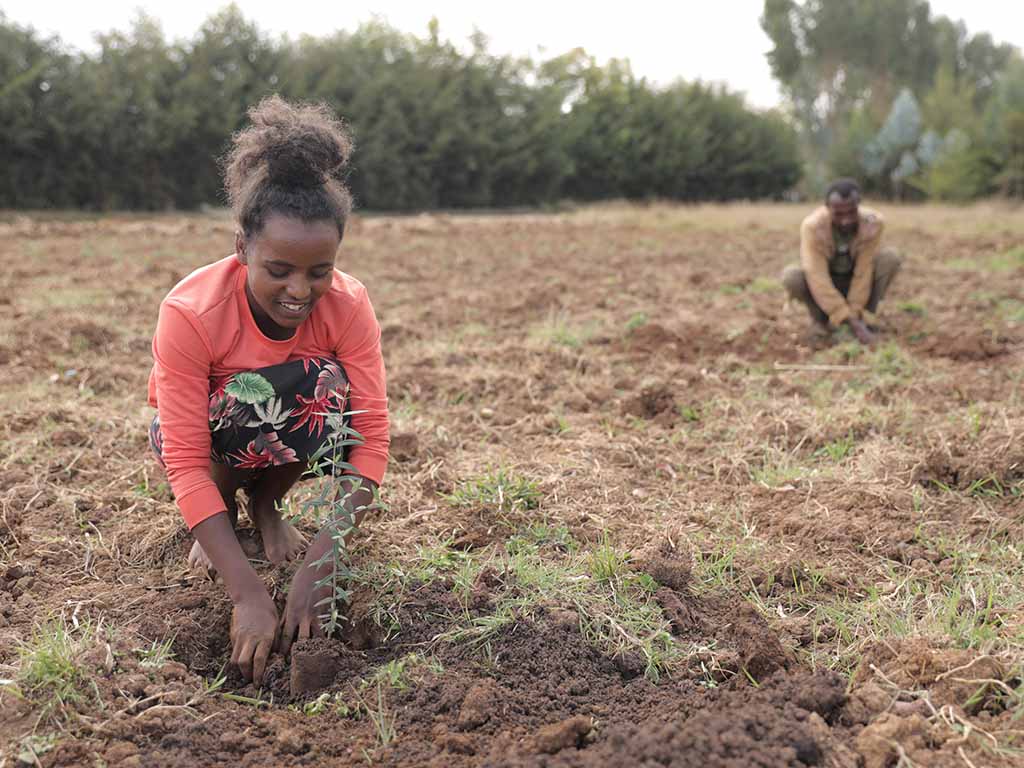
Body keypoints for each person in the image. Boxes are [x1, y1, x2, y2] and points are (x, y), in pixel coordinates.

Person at [147, 96, 389, 684]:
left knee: (324, 389)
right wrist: (248, 595)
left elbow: (373, 439)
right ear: (242, 248)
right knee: (245, 395)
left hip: (280, 435)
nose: (298, 290)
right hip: (208, 438)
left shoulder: (348, 304)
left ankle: (267, 503)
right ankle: (223, 515)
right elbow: (181, 455)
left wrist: (320, 562)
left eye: (318, 271)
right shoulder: (190, 310)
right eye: (278, 269)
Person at [781, 179, 903, 344]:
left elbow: (864, 271)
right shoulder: (812, 226)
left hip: (856, 281)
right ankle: (821, 321)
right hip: (826, 283)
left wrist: (855, 312)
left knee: (890, 258)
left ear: (858, 206)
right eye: (839, 214)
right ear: (827, 208)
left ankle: (865, 317)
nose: (846, 220)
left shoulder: (873, 223)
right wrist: (844, 316)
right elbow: (817, 276)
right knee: (792, 276)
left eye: (851, 213)